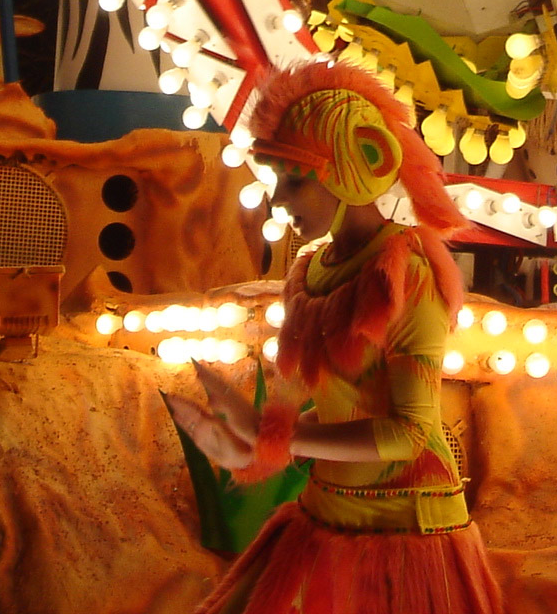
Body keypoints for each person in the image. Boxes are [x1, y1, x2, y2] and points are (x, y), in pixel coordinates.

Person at [167, 60, 504, 614]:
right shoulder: (311, 270)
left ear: (354, 167)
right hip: (326, 512)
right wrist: (255, 442)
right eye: (278, 180)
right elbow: (336, 402)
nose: (279, 199)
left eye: (295, 179)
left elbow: (408, 433)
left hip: (404, 534)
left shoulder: (407, 272)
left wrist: (277, 438)